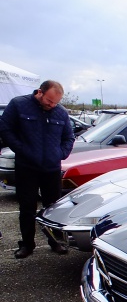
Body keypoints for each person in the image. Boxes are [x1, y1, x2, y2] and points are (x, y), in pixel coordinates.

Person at [0, 80, 75, 258]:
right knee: (27, 207)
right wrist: (21, 149)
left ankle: (55, 241)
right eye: (49, 101)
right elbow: (5, 129)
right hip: (27, 167)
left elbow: (69, 137)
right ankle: (27, 244)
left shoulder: (61, 112)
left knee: (53, 207)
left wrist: (60, 154)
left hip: (51, 168)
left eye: (56, 102)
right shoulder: (19, 105)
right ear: (40, 92)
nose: (52, 105)